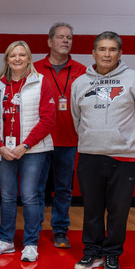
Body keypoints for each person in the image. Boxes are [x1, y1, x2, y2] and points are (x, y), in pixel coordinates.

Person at [71, 31, 135, 269]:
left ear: (120, 53)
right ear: (93, 52)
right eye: (102, 49)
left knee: (119, 209)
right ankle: (92, 251)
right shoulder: (80, 83)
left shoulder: (133, 79)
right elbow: (77, 118)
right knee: (92, 208)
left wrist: (126, 140)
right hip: (90, 154)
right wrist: (92, 137)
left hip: (123, 156)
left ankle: (113, 253)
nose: (107, 54)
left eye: (112, 49)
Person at [0, 41, 56, 263]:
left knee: (29, 196)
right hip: (5, 151)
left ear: (28, 58)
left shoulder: (41, 83)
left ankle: (30, 244)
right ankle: (6, 240)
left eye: (22, 55)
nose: (17, 59)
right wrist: (0, 146)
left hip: (32, 151)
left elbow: (48, 119)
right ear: (7, 59)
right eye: (13, 55)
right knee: (6, 197)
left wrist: (25, 145)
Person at [34, 23, 87, 249]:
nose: (65, 41)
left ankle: (60, 230)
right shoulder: (34, 68)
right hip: (39, 141)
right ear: (49, 41)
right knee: (36, 189)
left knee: (64, 188)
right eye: (60, 37)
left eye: (69, 38)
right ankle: (33, 230)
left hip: (68, 140)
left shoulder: (82, 70)